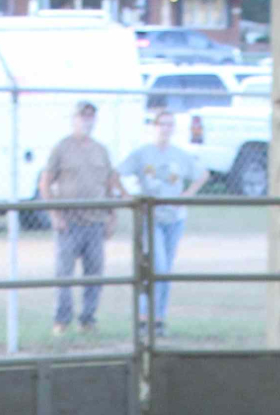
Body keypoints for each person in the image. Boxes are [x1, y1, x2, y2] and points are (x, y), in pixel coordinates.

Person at [118, 108, 209, 340]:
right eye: (162, 124)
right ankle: (142, 318)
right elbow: (117, 174)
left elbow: (202, 174)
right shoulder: (142, 154)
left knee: (166, 270)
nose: (165, 129)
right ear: (154, 126)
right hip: (152, 219)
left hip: (174, 218)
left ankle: (158, 319)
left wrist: (187, 194)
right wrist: (128, 197)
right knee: (156, 265)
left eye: (170, 125)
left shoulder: (179, 154)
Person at [38, 100, 123, 337]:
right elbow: (45, 182)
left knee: (94, 274)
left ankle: (88, 319)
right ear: (73, 118)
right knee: (64, 274)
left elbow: (109, 185)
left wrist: (111, 217)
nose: (87, 120)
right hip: (69, 222)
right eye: (82, 116)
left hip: (95, 222)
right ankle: (61, 320)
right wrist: (54, 214)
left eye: (91, 116)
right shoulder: (61, 148)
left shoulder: (101, 150)